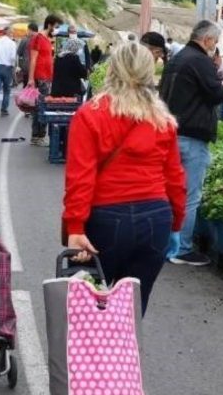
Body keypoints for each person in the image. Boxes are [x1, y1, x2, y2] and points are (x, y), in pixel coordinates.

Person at [62, 42, 186, 316]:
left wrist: (75, 227)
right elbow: (175, 178)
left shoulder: (90, 114)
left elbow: (80, 178)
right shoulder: (162, 118)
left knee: (93, 308)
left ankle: (93, 358)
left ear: (112, 70)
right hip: (155, 218)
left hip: (106, 218)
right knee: (133, 310)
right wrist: (176, 224)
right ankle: (127, 357)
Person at [158, 20, 223, 267]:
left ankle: (165, 244)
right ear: (207, 40)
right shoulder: (200, 61)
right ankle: (182, 248)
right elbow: (218, 94)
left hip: (170, 132)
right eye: (215, 42)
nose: (215, 46)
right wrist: (218, 74)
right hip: (191, 135)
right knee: (189, 195)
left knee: (169, 192)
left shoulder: (177, 58)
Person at [28, 14, 63, 146]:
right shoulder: (38, 38)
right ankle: (38, 136)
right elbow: (33, 59)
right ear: (49, 25)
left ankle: (38, 136)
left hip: (47, 77)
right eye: (56, 27)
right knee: (41, 107)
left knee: (43, 106)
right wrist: (31, 78)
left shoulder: (48, 39)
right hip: (40, 76)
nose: (57, 30)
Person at [17, 23, 37, 87]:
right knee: (36, 88)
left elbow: (19, 52)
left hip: (27, 67)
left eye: (28, 30)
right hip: (37, 67)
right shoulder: (41, 39)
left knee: (26, 87)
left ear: (30, 30)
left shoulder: (25, 40)